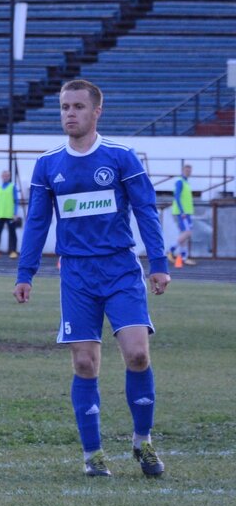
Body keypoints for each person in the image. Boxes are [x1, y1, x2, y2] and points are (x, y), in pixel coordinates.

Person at [14, 79, 169, 478]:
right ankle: (93, 454)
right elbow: (37, 222)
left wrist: (159, 262)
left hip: (120, 270)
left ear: (97, 111)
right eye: (65, 107)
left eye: (78, 107)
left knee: (137, 354)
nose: (70, 113)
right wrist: (25, 272)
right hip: (77, 275)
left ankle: (143, 441)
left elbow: (146, 209)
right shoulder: (48, 164)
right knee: (85, 362)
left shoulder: (120, 157)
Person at [0, 168, 21, 259]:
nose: (5, 177)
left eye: (7, 176)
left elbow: (16, 201)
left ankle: (13, 251)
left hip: (10, 215)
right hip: (0, 214)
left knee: (12, 233)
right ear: (1, 177)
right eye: (4, 176)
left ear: (9, 177)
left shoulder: (12, 187)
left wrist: (15, 213)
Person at [169, 163, 195, 266]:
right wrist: (182, 211)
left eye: (190, 170)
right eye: (187, 170)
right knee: (188, 232)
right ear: (183, 170)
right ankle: (171, 250)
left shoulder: (186, 182)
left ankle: (183, 257)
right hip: (182, 213)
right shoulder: (180, 181)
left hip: (187, 212)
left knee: (184, 234)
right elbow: (177, 196)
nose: (189, 172)